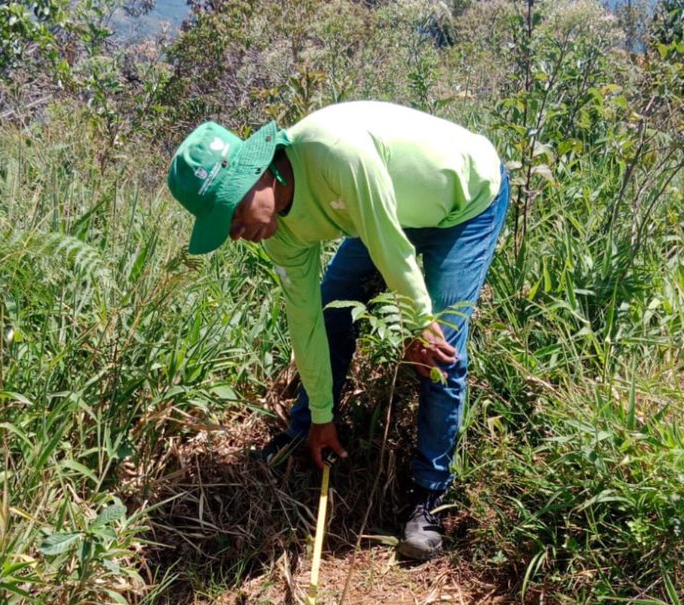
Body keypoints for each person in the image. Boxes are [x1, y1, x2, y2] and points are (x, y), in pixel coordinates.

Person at [167, 100, 509, 561]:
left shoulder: (333, 153)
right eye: (223, 226)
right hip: (387, 213)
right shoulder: (277, 233)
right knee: (333, 310)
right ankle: (306, 432)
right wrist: (323, 414)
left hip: (464, 204)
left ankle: (429, 496)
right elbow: (305, 318)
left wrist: (419, 323)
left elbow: (388, 244)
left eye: (231, 212)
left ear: (260, 173)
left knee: (439, 352)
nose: (234, 232)